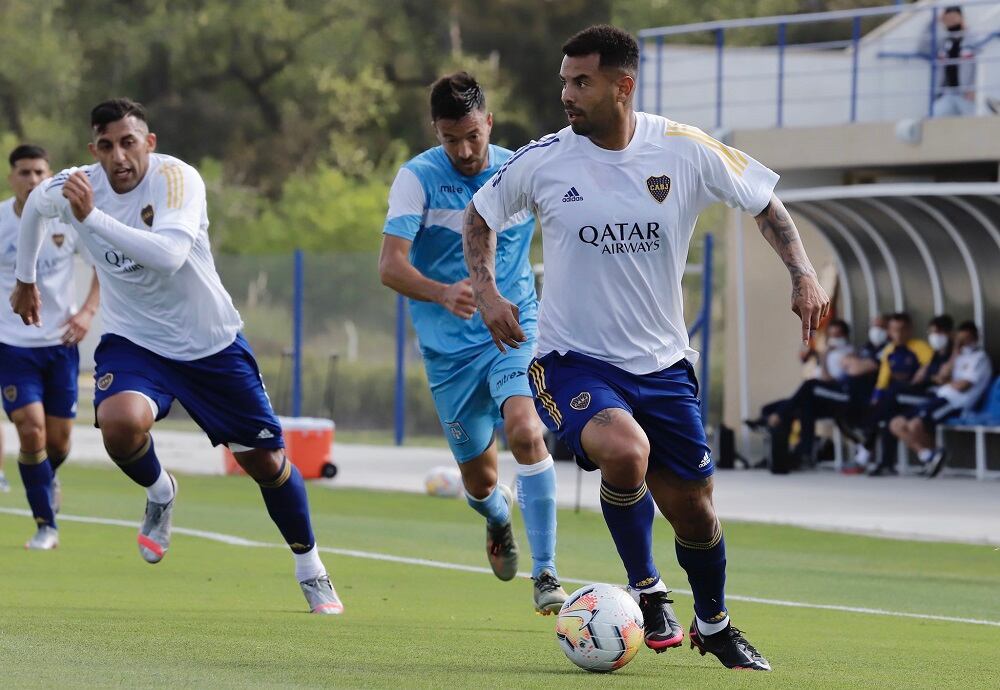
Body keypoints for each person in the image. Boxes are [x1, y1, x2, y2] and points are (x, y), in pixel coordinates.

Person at [463, 25, 830, 671]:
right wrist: (488, 294)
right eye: (564, 81)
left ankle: (714, 624)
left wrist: (802, 273)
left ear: (622, 85)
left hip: (663, 365)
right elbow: (482, 214)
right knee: (624, 452)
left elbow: (765, 202)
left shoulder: (684, 149)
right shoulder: (546, 158)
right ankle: (648, 590)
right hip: (572, 359)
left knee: (696, 511)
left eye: (581, 82)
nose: (567, 95)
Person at [10, 99, 341, 614]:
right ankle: (161, 491)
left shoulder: (176, 180)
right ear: (92, 150)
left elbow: (167, 256)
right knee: (117, 424)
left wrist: (91, 217)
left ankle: (310, 566)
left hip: (209, 344)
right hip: (134, 339)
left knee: (265, 462)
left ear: (150, 143)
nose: (118, 156)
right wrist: (25, 279)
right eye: (106, 145)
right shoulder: (76, 185)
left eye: (128, 142)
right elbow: (34, 207)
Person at [379, 73, 566, 614]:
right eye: (449, 139)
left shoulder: (520, 168)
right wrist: (442, 293)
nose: (462, 150)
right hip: (449, 353)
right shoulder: (416, 178)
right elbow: (390, 267)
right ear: (436, 132)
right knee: (481, 482)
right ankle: (498, 519)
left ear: (488, 122)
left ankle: (547, 571)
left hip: (511, 327)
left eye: (471, 136)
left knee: (528, 430)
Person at [1, 144, 100, 548]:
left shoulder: (67, 217)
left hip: (61, 345)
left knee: (58, 442)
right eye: (24, 173)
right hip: (11, 345)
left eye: (40, 172)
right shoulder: (1, 220)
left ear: (51, 174)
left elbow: (103, 266)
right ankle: (46, 525)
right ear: (12, 178)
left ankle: (46, 477)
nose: (33, 181)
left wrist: (88, 313)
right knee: (31, 429)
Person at [888, 321, 992, 477]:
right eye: (961, 339)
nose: (964, 342)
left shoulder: (980, 358)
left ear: (976, 338)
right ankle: (930, 456)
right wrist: (955, 350)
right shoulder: (959, 356)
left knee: (915, 425)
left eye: (967, 338)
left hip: (956, 402)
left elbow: (963, 386)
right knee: (896, 424)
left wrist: (946, 382)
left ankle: (934, 457)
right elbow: (942, 375)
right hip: (940, 397)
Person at [755, 319, 856, 471]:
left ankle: (778, 418)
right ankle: (782, 455)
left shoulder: (847, 353)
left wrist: (824, 357)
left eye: (838, 335)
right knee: (773, 408)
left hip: (835, 397)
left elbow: (829, 380)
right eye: (832, 335)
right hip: (815, 397)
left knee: (808, 387)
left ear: (845, 336)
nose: (834, 338)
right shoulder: (826, 352)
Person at [861, 312, 935, 476]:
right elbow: (882, 381)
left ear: (909, 330)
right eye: (894, 330)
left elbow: (931, 364)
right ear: (889, 331)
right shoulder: (889, 351)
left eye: (902, 329)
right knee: (886, 414)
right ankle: (886, 463)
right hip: (897, 398)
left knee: (890, 396)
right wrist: (875, 400)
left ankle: (867, 445)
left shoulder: (919, 347)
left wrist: (923, 372)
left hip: (918, 394)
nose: (898, 334)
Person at [931, 6, 978, 118]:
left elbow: (979, 65)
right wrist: (933, 22)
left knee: (973, 125)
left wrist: (974, 88)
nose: (951, 21)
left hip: (966, 95)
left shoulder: (970, 39)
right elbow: (922, 47)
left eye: (954, 17)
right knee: (933, 117)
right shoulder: (944, 41)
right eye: (948, 18)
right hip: (948, 94)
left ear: (961, 18)